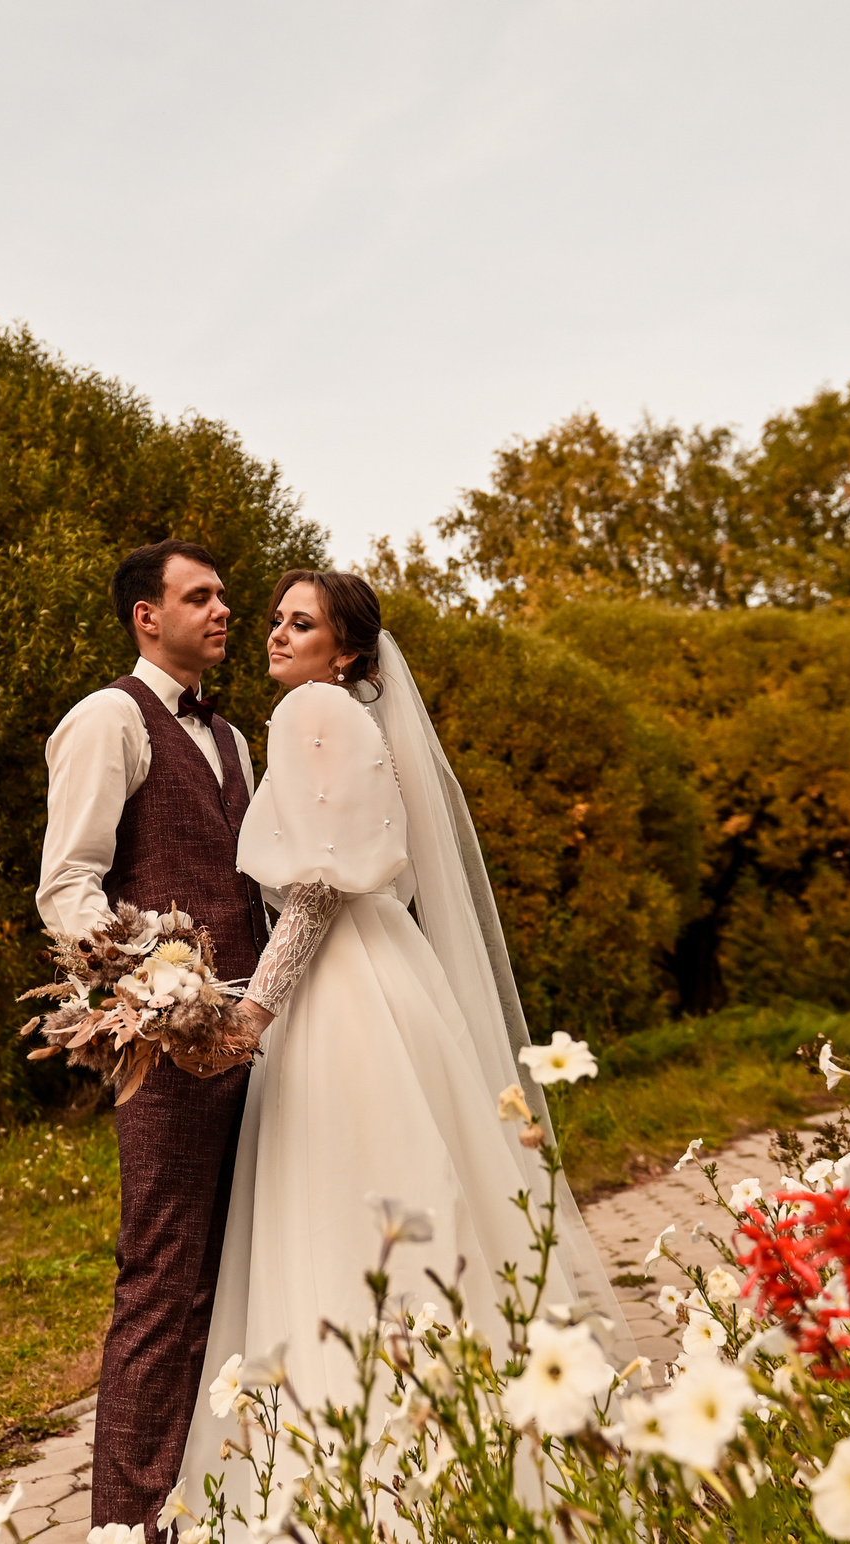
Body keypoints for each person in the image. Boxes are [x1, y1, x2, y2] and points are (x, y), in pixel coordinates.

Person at [178, 570, 633, 1523]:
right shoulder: (354, 718)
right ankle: (465, 1449)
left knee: (342, 1195)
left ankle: (359, 1468)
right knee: (413, 1181)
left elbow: (318, 887)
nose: (276, 635)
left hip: (340, 985)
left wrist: (254, 1013)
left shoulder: (310, 710)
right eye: (276, 620)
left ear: (345, 652)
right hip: (390, 971)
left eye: (302, 624)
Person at [37, 538, 267, 1542]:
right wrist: (155, 989)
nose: (223, 611)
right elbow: (68, 886)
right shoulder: (108, 718)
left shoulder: (236, 739)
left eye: (223, 596)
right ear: (147, 615)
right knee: (163, 1279)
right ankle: (127, 1525)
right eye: (199, 596)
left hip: (255, 1041)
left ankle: (219, 1505)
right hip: (166, 1049)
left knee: (238, 1268)